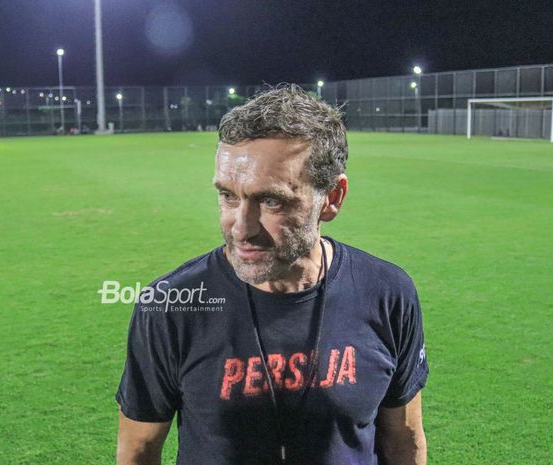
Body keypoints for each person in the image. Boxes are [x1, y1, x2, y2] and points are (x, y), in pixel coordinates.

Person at [116, 85, 428, 465]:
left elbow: (404, 438)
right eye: (228, 196)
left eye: (271, 200)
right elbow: (139, 450)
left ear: (332, 197)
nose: (241, 228)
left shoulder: (388, 293)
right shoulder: (169, 305)